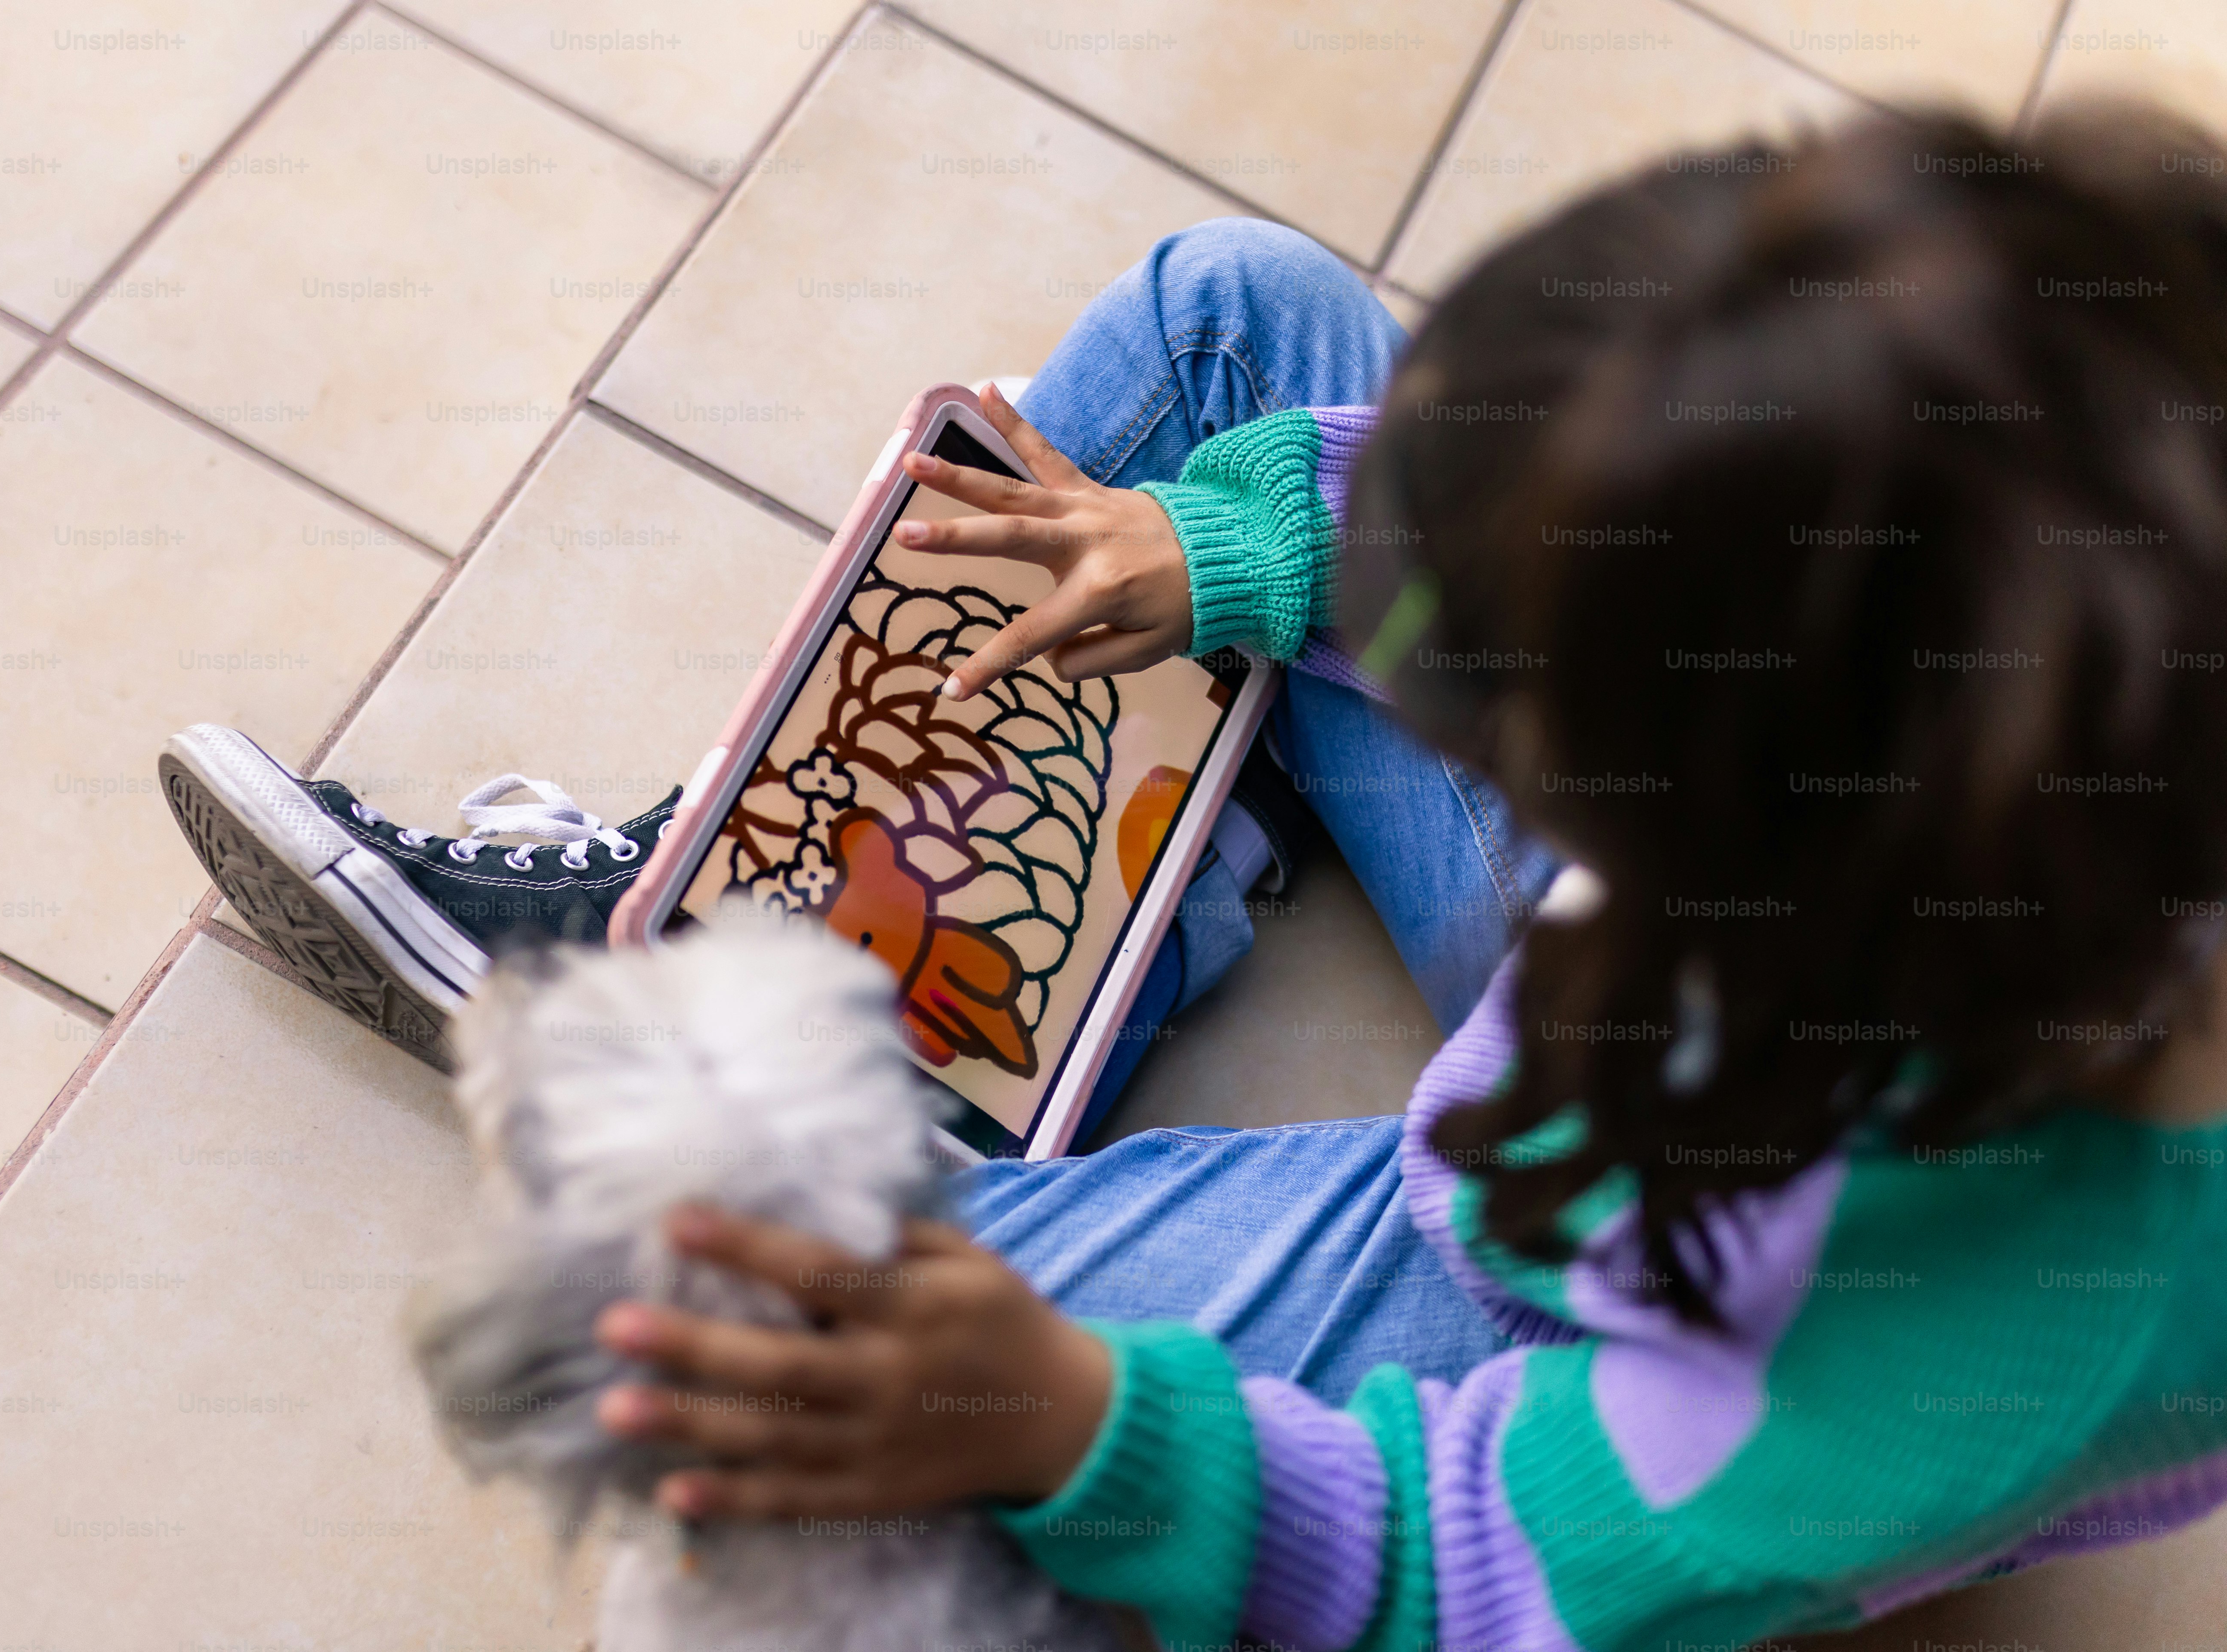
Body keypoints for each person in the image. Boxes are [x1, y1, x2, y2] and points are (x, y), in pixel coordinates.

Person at [555, 106, 2227, 1652]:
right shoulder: (2077, 609)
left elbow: (1456, 1560)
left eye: (1503, 710)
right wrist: (1257, 550)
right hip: (1753, 995)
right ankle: (1150, 864)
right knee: (1233, 314)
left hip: (1619, 1283)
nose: (1453, 704)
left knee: (764, 1306)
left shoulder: (1932, 1334)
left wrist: (1088, 1427)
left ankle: (1123, 882)